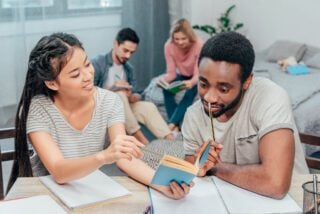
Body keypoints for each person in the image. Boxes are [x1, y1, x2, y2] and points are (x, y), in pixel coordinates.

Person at [7, 32, 191, 199]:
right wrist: (104, 156)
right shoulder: (39, 109)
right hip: (46, 198)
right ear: (52, 83)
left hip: (86, 194)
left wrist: (162, 185)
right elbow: (59, 172)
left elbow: (124, 158)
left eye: (87, 64)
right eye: (75, 74)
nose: (88, 75)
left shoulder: (109, 102)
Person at [182, 32, 309, 199]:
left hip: (293, 201)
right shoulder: (193, 115)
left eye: (223, 89)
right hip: (231, 198)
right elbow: (191, 167)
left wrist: (215, 167)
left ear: (247, 81)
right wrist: (199, 165)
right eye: (204, 84)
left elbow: (275, 184)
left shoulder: (270, 97)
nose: (209, 98)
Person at [92, 28, 174, 144]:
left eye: (132, 52)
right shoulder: (98, 63)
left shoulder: (128, 69)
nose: (128, 55)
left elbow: (136, 91)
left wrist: (133, 96)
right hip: (104, 109)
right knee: (119, 95)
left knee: (148, 107)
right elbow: (88, 93)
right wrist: (114, 87)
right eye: (125, 50)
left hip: (125, 109)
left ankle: (171, 141)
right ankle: (143, 142)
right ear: (116, 44)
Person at [159, 18, 203, 132]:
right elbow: (171, 73)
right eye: (176, 38)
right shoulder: (169, 45)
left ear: (190, 36)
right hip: (182, 75)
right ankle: (177, 126)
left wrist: (191, 82)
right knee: (166, 90)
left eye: (183, 38)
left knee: (190, 93)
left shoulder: (198, 44)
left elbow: (197, 73)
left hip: (196, 76)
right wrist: (162, 81)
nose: (179, 42)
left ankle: (172, 124)